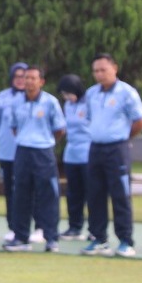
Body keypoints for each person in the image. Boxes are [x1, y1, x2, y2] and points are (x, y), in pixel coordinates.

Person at [81, 53, 142, 258]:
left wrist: (123, 137)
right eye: (96, 71)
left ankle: (125, 240)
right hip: (96, 148)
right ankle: (99, 238)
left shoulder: (126, 92)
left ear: (114, 69)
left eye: (103, 70)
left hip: (117, 149)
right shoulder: (91, 93)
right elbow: (90, 118)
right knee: (95, 195)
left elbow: (140, 121)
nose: (99, 74)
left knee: (120, 195)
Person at [3, 66, 66, 252]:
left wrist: (44, 141)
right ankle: (21, 237)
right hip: (23, 151)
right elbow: (14, 127)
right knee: (20, 194)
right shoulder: (16, 102)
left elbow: (59, 129)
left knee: (48, 195)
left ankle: (51, 237)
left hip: (43, 151)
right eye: (26, 78)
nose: (28, 81)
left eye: (32, 78)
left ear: (41, 82)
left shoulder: (50, 102)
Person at [0, 62, 27, 240]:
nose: (20, 80)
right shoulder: (2, 97)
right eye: (17, 76)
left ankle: (37, 226)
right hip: (7, 152)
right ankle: (13, 226)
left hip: (28, 151)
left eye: (24, 76)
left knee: (31, 190)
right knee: (11, 191)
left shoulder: (34, 98)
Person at [57, 74, 90, 240]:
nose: (67, 97)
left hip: (88, 152)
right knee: (73, 193)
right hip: (72, 153)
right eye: (64, 94)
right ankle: (74, 226)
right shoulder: (68, 105)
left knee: (92, 192)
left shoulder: (89, 103)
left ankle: (95, 229)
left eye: (68, 93)